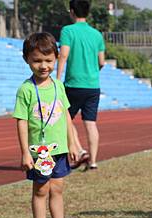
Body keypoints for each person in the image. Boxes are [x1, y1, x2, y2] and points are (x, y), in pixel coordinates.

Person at [14, 33, 82, 218]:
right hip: (39, 153)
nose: (43, 66)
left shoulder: (58, 86)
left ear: (55, 59)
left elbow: (67, 118)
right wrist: (25, 152)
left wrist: (72, 142)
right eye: (37, 60)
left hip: (59, 149)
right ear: (27, 59)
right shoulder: (26, 89)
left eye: (48, 61)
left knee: (58, 188)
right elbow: (22, 122)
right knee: (41, 189)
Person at [57, 0, 106, 170]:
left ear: (71, 11)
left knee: (65, 118)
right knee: (90, 122)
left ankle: (79, 150)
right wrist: (93, 71)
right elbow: (102, 62)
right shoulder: (97, 34)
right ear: (88, 12)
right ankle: (92, 162)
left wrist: (57, 78)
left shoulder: (67, 31)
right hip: (93, 85)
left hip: (74, 84)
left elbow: (63, 55)